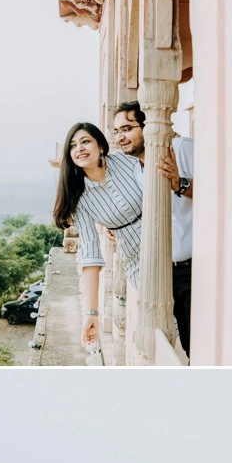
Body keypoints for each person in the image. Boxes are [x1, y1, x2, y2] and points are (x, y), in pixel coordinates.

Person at [112, 101, 194, 357]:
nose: (120, 137)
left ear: (148, 127)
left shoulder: (182, 149)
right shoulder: (137, 169)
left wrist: (179, 183)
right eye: (116, 132)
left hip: (197, 271)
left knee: (203, 345)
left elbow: (223, 193)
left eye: (127, 128)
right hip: (164, 273)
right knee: (183, 346)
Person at [53, 121, 143, 350]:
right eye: (73, 146)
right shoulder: (80, 199)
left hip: (172, 241)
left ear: (100, 146)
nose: (79, 148)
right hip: (138, 263)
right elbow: (90, 254)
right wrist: (92, 314)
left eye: (85, 141)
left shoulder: (126, 161)